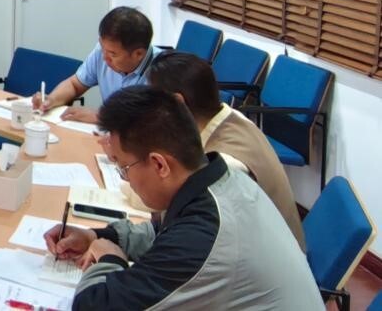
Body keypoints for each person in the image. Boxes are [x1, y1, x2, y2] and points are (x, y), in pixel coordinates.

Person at [43, 87, 320, 310]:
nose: (125, 178)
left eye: (123, 167)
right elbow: (164, 233)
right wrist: (97, 236)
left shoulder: (202, 236)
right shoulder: (222, 181)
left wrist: (109, 259)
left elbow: (93, 306)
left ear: (160, 165)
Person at [145, 51, 306, 249]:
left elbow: (191, 234)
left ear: (178, 102)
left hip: (266, 259)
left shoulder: (224, 164)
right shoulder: (229, 117)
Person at [33, 6, 159, 124]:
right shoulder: (103, 51)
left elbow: (156, 124)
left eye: (113, 54)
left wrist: (102, 116)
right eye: (102, 47)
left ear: (138, 54)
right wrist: (51, 99)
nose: (104, 58)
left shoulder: (163, 69)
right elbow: (74, 85)